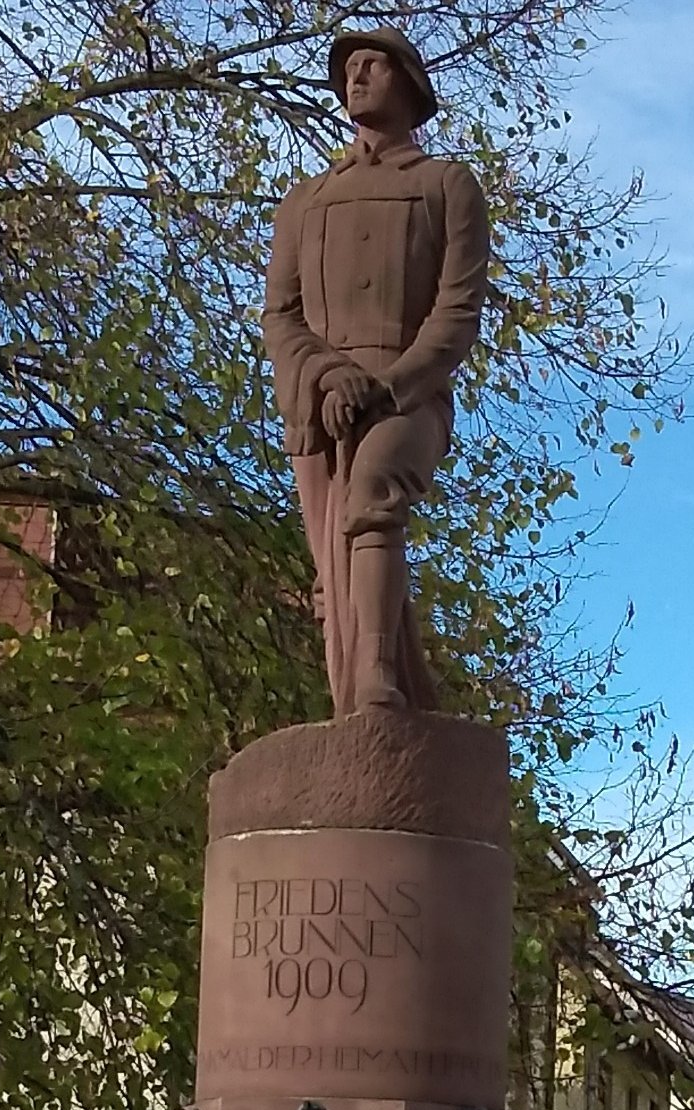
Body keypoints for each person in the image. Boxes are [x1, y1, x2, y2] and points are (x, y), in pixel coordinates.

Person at [262, 28, 490, 713]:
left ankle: (379, 682)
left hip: (407, 398)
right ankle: (371, 707)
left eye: (372, 65)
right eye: (348, 69)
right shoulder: (305, 201)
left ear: (410, 83)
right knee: (334, 567)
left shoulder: (446, 186)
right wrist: (328, 379)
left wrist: (386, 388)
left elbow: (456, 311)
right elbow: (281, 315)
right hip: (319, 401)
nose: (356, 77)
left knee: (372, 494)